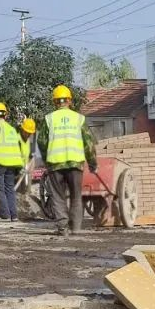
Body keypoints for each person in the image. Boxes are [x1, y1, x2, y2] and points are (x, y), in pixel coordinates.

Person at [36, 84, 96, 235]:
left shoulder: (49, 119)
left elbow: (41, 141)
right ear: (69, 101)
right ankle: (75, 228)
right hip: (75, 164)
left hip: (55, 164)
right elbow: (88, 143)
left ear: (55, 102)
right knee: (76, 196)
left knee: (58, 197)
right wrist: (92, 163)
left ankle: (63, 228)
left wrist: (46, 159)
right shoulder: (78, 119)